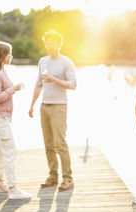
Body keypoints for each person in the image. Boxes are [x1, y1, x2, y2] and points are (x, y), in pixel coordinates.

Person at [29, 30, 77, 191]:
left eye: (53, 43)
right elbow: (38, 84)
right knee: (48, 144)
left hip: (59, 107)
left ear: (59, 44)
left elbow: (73, 85)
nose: (50, 46)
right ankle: (53, 176)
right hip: (44, 106)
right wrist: (32, 105)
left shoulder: (66, 62)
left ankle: (68, 178)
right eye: (47, 43)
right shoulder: (42, 61)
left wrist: (54, 79)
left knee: (60, 143)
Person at [0, 41, 32, 199]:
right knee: (10, 151)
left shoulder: (1, 71)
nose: (11, 56)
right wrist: (14, 89)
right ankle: (13, 189)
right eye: (9, 53)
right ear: (1, 55)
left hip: (2, 117)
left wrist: (12, 90)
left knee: (0, 151)